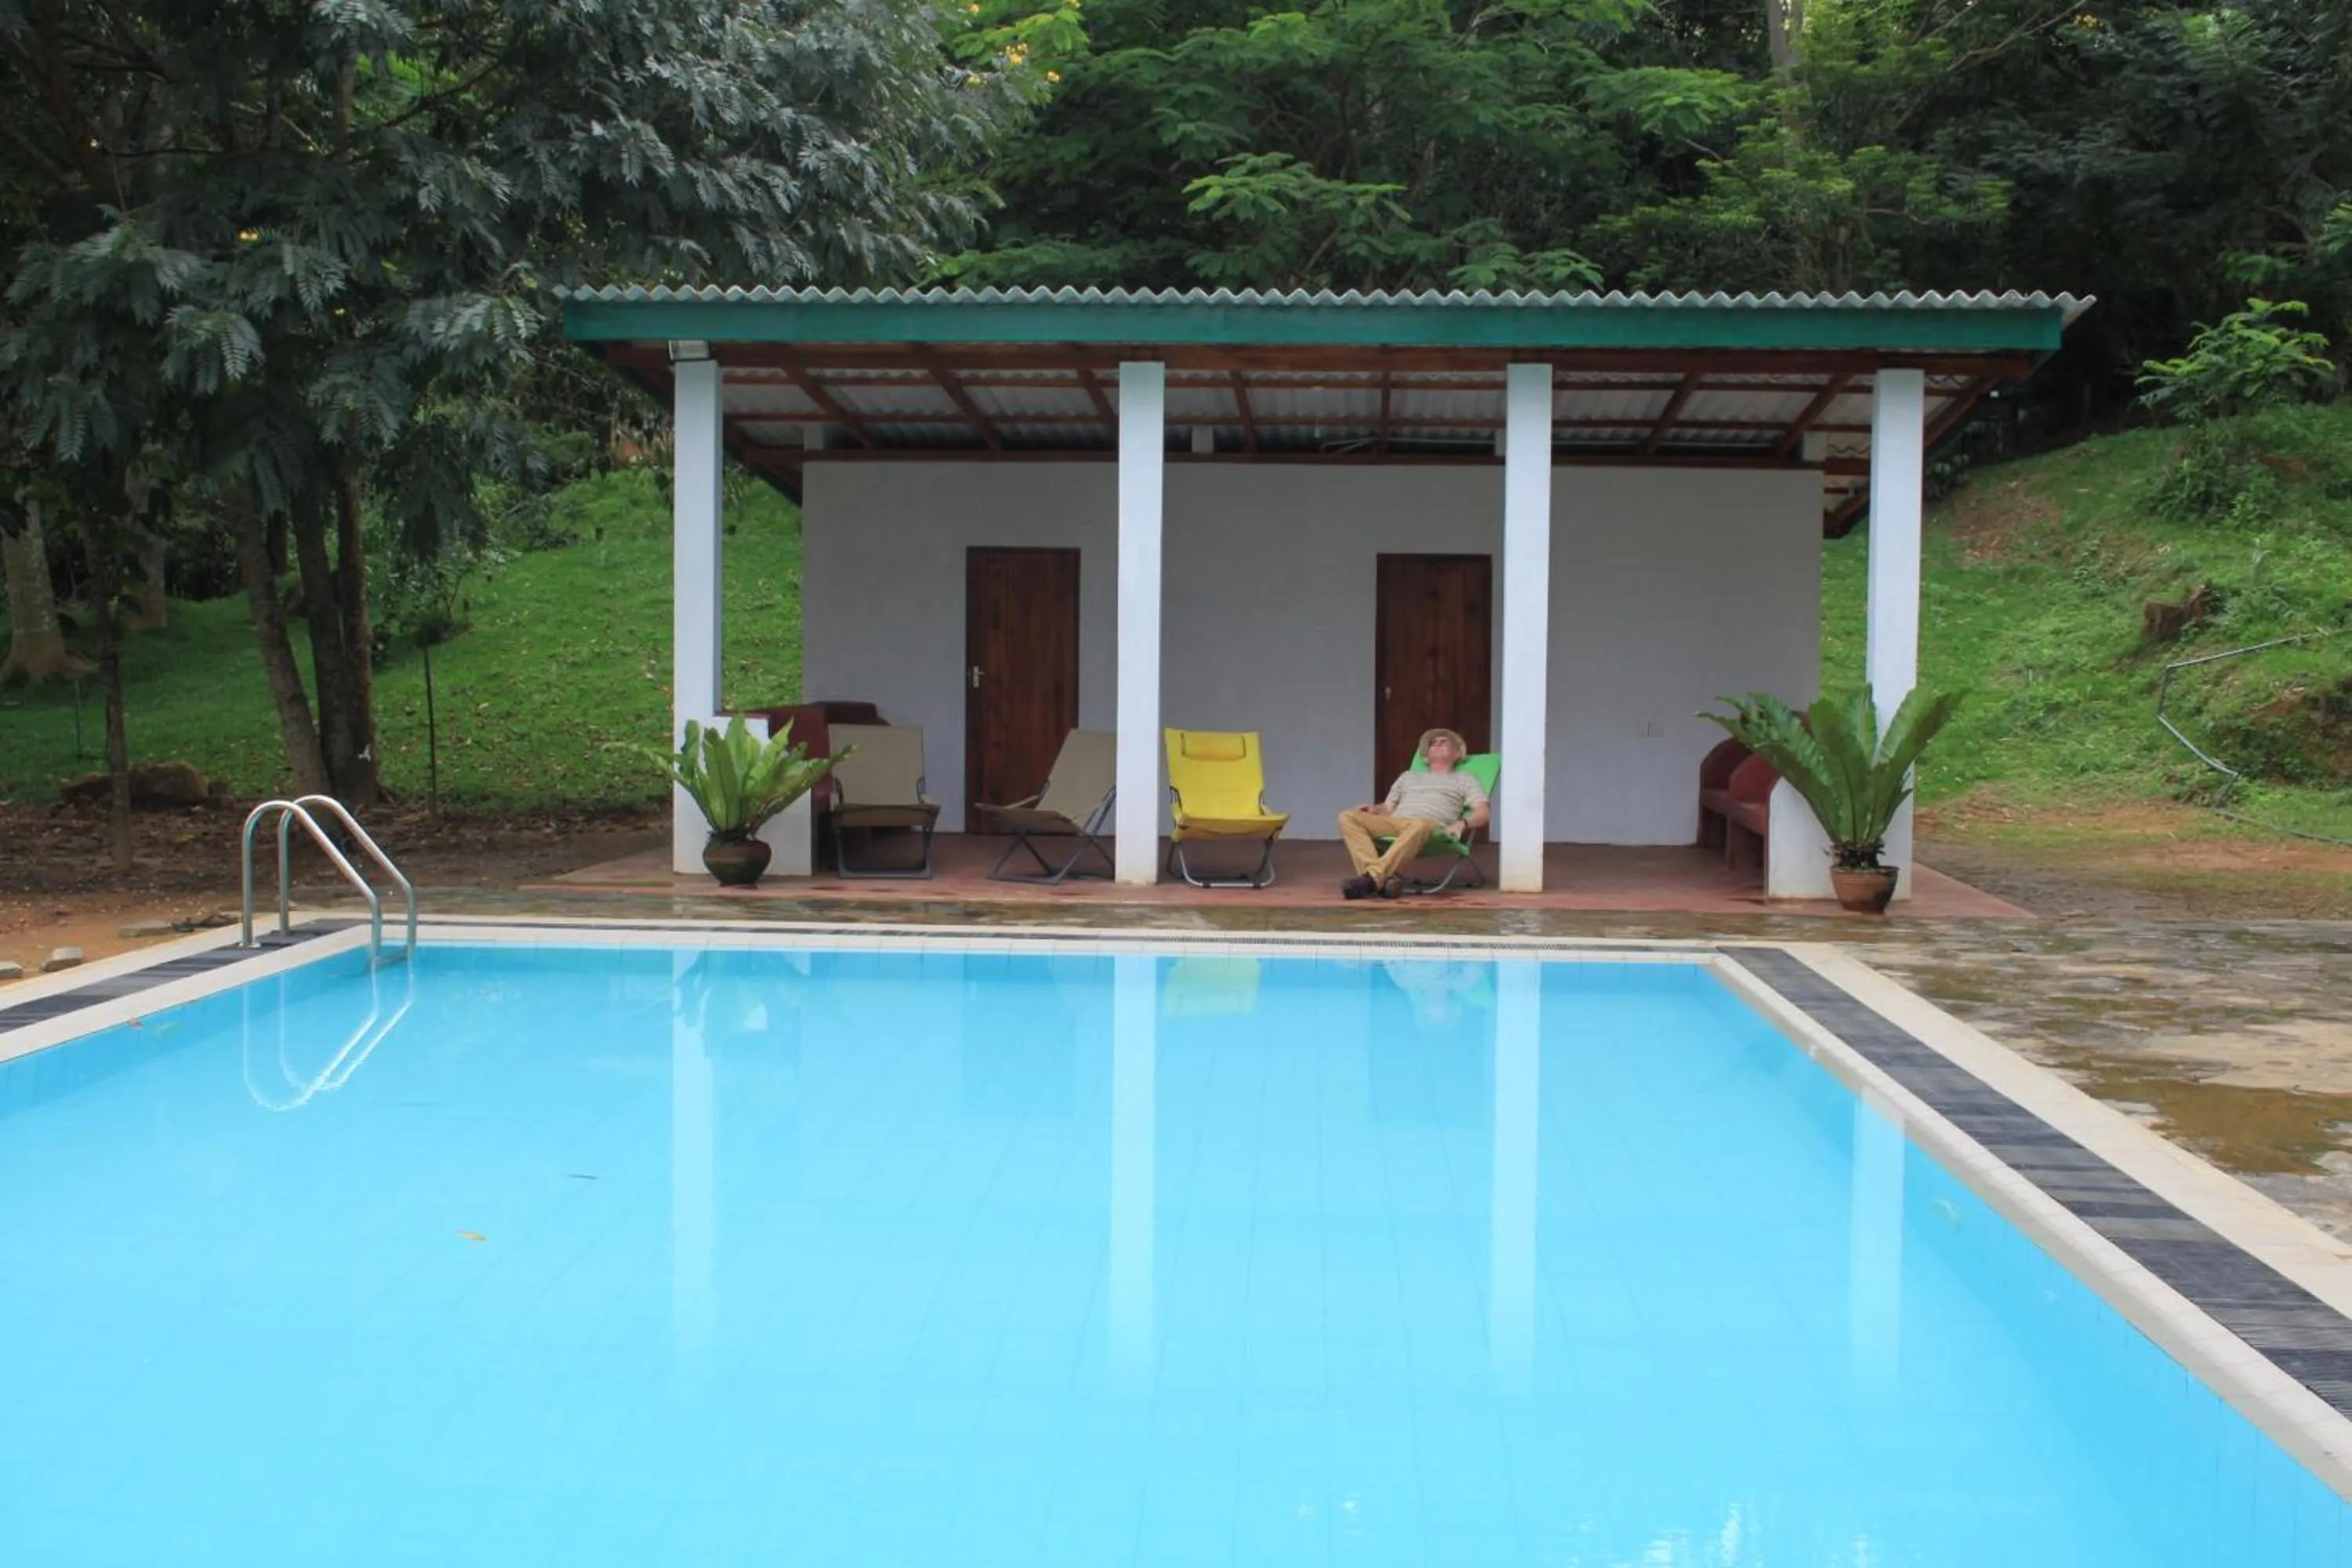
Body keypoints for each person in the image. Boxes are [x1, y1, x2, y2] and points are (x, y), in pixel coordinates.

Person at [1336, 728, 1489, 899]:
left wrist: (1463, 823)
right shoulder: (1407, 777)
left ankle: (1372, 879)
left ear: (1457, 754)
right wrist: (1374, 810)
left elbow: (1483, 812)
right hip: (1398, 823)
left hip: (1431, 826)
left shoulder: (1466, 779)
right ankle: (1378, 880)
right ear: (1426, 756)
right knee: (1347, 817)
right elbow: (1387, 808)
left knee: (1419, 824)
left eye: (1444, 742)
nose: (1437, 744)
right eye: (1433, 743)